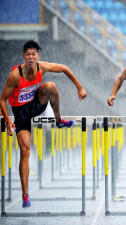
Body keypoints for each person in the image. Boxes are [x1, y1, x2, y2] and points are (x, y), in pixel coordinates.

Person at [0, 40, 87, 207]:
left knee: (51, 86)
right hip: (21, 113)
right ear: (24, 57)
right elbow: (2, 100)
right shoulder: (15, 75)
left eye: (34, 54)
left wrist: (79, 87)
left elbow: (65, 69)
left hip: (35, 104)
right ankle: (25, 194)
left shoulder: (43, 66)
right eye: (28, 55)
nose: (31, 58)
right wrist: (7, 120)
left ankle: (58, 120)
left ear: (38, 56)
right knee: (25, 151)